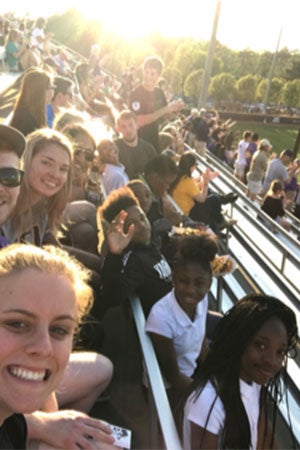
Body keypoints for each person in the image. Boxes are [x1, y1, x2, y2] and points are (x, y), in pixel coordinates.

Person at [0, 243, 116, 449]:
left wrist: (48, 423)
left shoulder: (10, 421)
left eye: (59, 330)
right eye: (17, 324)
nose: (45, 348)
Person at [183, 293, 298, 450]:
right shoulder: (207, 402)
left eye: (280, 351)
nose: (272, 360)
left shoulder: (254, 383)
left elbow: (265, 442)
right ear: (238, 340)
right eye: (260, 345)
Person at [145, 233, 219, 398]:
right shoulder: (161, 317)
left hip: (191, 378)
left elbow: (201, 346)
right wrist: (212, 397)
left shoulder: (202, 301)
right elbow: (174, 378)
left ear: (209, 283)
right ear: (174, 278)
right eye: (183, 281)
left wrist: (218, 376)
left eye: (199, 283)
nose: (191, 290)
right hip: (167, 392)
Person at [98, 187, 173, 316]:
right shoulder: (133, 260)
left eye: (142, 218)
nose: (143, 226)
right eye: (132, 224)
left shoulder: (149, 246)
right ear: (121, 230)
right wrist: (114, 254)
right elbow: (112, 298)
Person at [2, 128, 73, 246]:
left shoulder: (42, 210)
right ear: (25, 162)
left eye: (63, 169)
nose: (55, 174)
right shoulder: (4, 206)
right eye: (46, 163)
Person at [170, 152, 237, 233]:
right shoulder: (187, 181)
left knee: (208, 193)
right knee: (214, 199)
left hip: (181, 210)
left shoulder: (179, 176)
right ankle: (220, 221)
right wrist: (205, 182)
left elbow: (193, 189)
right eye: (196, 165)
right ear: (191, 167)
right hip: (189, 215)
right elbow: (201, 199)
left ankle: (223, 204)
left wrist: (203, 179)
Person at [129, 55, 184, 152]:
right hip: (137, 143)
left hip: (153, 142)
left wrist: (175, 110)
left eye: (152, 74)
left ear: (159, 76)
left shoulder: (159, 93)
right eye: (146, 72)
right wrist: (165, 109)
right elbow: (138, 120)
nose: (148, 76)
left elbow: (165, 117)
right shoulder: (135, 94)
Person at [10, 68, 55, 136]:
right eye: (51, 87)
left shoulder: (25, 112)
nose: (53, 92)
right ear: (39, 91)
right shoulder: (27, 121)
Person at [114, 110, 156, 179]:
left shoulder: (148, 149)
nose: (128, 130)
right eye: (123, 126)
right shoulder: (113, 148)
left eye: (131, 125)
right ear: (118, 129)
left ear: (137, 125)